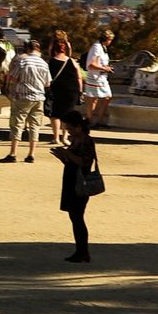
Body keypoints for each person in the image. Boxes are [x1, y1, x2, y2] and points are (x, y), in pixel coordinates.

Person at [52, 110, 100, 264]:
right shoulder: (77, 140)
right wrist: (63, 156)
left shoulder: (86, 141)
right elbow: (72, 162)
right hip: (72, 180)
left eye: (70, 129)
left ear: (78, 127)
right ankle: (80, 251)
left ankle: (83, 251)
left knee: (77, 217)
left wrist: (67, 153)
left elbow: (83, 162)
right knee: (75, 217)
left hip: (80, 182)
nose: (69, 132)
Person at [0, 39, 52, 163]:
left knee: (17, 125)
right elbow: (48, 83)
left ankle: (13, 153)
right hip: (39, 97)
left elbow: (12, 78)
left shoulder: (23, 61)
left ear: (28, 49)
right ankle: (31, 154)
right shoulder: (44, 63)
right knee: (35, 126)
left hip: (22, 97)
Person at [46, 37, 82, 147]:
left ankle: (56, 137)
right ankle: (65, 138)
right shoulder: (72, 61)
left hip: (57, 90)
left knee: (55, 114)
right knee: (67, 114)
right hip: (72, 91)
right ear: (64, 50)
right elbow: (79, 77)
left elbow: (48, 78)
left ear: (54, 50)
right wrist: (80, 91)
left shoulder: (51, 61)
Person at [82, 28, 114, 127]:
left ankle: (99, 120)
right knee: (92, 99)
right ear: (107, 39)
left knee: (107, 97)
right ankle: (90, 120)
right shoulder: (96, 47)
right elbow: (91, 64)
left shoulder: (102, 48)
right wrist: (105, 68)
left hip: (102, 77)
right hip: (95, 77)